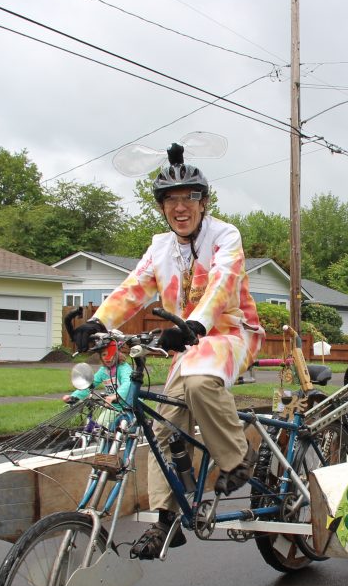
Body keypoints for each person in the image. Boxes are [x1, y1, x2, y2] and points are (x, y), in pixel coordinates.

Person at [70, 143, 264, 559]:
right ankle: (165, 520)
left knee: (197, 383)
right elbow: (134, 288)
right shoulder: (159, 246)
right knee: (162, 423)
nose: (180, 207)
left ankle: (237, 458)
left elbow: (223, 283)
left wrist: (195, 323)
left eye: (189, 197)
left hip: (231, 333)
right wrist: (99, 322)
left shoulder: (225, 235)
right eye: (171, 200)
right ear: (161, 207)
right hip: (189, 343)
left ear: (204, 202)